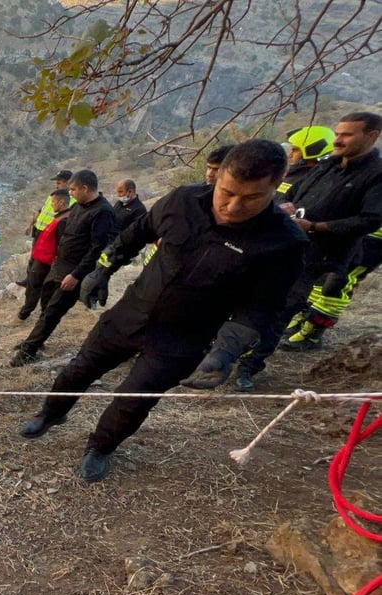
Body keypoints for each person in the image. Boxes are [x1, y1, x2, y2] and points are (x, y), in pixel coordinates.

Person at [19, 140, 307, 483]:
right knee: (79, 368)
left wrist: (225, 351)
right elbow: (135, 235)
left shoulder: (284, 243)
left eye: (250, 198)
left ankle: (102, 446)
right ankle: (52, 413)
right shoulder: (183, 200)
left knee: (133, 400)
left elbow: (262, 308)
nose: (231, 206)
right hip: (132, 311)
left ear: (275, 188)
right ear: (219, 177)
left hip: (184, 337)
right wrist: (103, 269)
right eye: (226, 192)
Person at [235, 112, 382, 390]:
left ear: (371, 136)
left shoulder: (376, 175)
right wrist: (287, 205)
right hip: (285, 245)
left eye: (347, 134)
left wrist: (315, 226)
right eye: (338, 133)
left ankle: (249, 367)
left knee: (282, 311)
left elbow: (371, 219)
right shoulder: (328, 164)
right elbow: (296, 189)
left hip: (319, 256)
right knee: (252, 300)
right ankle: (230, 351)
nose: (338, 139)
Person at [10, 169, 116, 367]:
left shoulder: (103, 212)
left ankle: (28, 351)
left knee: (53, 311)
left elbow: (97, 249)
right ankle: (35, 342)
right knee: (46, 304)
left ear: (85, 188)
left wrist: (76, 275)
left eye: (74, 189)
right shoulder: (79, 206)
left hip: (74, 272)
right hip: (59, 266)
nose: (72, 193)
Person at [18, 190, 71, 320]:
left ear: (61, 202)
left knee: (34, 286)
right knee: (36, 285)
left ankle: (26, 313)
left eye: (53, 202)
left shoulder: (63, 220)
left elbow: (61, 244)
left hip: (46, 261)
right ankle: (39, 312)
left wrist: (55, 263)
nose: (51, 204)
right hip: (43, 258)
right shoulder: (60, 216)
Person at [19, 170, 75, 286]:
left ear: (67, 183)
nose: (56, 185)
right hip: (39, 230)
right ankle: (29, 279)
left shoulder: (72, 200)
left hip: (51, 233)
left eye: (59, 183)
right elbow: (41, 210)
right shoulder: (53, 195)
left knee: (43, 260)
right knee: (33, 256)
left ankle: (39, 282)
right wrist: (30, 225)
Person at [276, 125, 336, 204]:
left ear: (313, 151)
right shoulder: (287, 174)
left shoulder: (316, 182)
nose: (290, 155)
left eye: (295, 150)